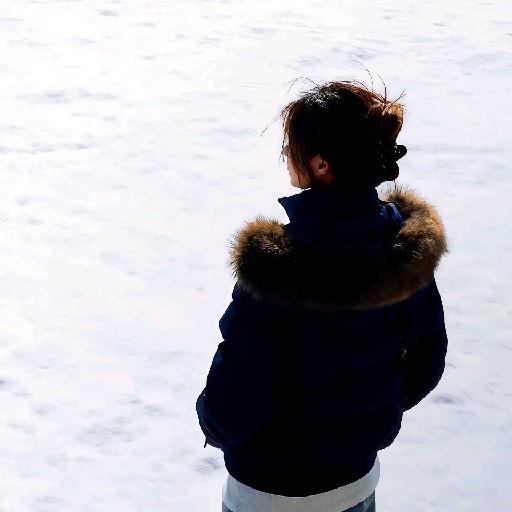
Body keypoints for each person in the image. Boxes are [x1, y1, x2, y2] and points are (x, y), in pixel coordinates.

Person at [196, 80, 449, 512]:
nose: (285, 155)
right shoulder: (402, 252)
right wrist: (371, 410)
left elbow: (234, 402)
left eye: (290, 148)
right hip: (355, 482)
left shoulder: (276, 269)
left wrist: (210, 419)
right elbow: (428, 357)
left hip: (268, 494)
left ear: (321, 165)